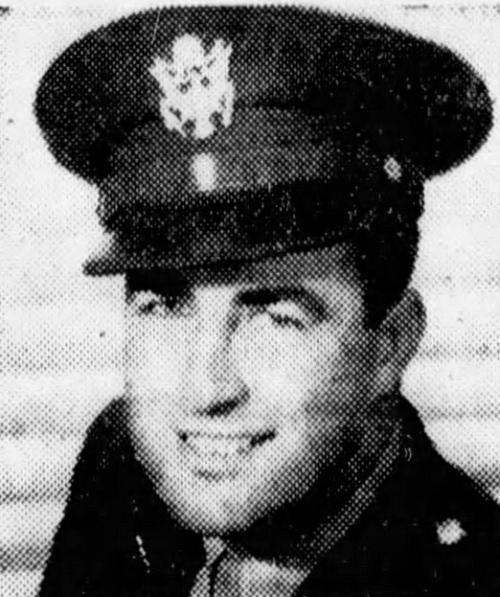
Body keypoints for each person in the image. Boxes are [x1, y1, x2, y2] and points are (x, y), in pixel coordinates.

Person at [34, 5, 499, 596]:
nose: (204, 389)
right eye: (164, 306)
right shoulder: (121, 464)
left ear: (389, 345)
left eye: (275, 318)